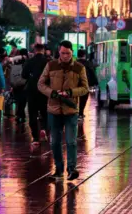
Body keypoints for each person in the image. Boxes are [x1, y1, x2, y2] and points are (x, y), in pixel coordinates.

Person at [38, 40, 89, 181]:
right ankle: (58, 170)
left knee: (71, 141)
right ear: (58, 52)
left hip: (71, 110)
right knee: (55, 142)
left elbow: (85, 88)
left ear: (72, 52)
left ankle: (72, 169)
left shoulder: (79, 68)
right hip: (54, 110)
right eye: (62, 53)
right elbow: (41, 84)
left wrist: (71, 92)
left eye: (67, 53)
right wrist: (51, 92)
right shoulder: (51, 65)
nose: (65, 56)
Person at [23, 42, 50, 149]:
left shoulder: (30, 61)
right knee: (45, 113)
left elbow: (24, 75)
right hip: (44, 91)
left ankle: (35, 137)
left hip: (32, 90)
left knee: (32, 114)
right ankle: (44, 129)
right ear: (43, 50)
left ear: (34, 50)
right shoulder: (48, 62)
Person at [77, 49, 97, 118]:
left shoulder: (74, 63)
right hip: (85, 84)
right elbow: (92, 72)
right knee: (84, 98)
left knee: (76, 98)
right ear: (84, 55)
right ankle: (80, 112)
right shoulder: (88, 63)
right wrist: (95, 82)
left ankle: (76, 112)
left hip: (75, 84)